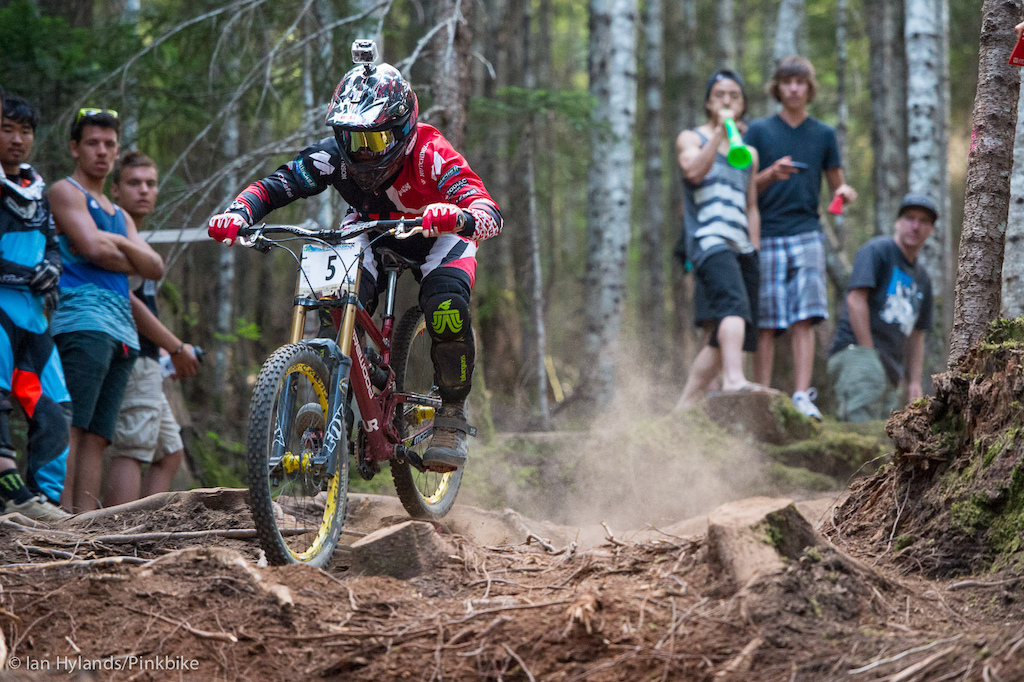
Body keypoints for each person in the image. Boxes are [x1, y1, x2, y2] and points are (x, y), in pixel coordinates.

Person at [208, 43, 502, 471]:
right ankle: (344, 393)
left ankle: (452, 412)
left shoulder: (430, 152)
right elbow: (278, 184)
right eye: (352, 138)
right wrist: (239, 213)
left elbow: (488, 210)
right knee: (328, 295)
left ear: (403, 129)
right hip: (369, 230)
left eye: (375, 139)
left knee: (446, 308)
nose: (362, 152)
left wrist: (459, 215)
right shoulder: (333, 157)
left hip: (437, 235)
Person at [48, 109, 165, 512]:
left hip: (122, 329)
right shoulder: (65, 192)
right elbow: (91, 249)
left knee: (99, 433)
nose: (102, 152)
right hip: (82, 317)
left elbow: (155, 267)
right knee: (74, 423)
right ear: (74, 148)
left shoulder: (115, 213)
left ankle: (85, 521)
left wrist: (117, 245)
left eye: (109, 144)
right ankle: (60, 518)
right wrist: (125, 251)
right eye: (93, 143)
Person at [744, 56, 858, 420]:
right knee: (766, 320)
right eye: (786, 81)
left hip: (808, 232)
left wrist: (845, 194)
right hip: (767, 233)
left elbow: (838, 185)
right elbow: (741, 185)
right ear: (777, 87)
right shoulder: (759, 131)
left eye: (800, 82)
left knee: (804, 318)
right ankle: (760, 394)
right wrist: (769, 175)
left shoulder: (823, 134)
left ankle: (800, 396)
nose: (793, 88)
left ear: (810, 88)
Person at [102, 152, 200, 507]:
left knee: (169, 450)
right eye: (133, 183)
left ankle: (145, 527)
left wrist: (161, 352)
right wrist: (173, 347)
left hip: (146, 356)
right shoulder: (115, 230)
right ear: (115, 190)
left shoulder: (133, 235)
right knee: (132, 448)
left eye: (150, 183)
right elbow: (126, 300)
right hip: (127, 354)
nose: (144, 190)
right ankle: (112, 531)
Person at [674, 71, 765, 410]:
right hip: (709, 239)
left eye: (734, 95)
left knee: (722, 336)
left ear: (742, 104)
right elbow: (693, 171)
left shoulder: (749, 154)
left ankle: (683, 406)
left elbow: (751, 205)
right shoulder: (692, 137)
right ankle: (733, 381)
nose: (727, 100)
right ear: (709, 102)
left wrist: (754, 250)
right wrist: (719, 134)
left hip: (742, 244)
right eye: (720, 94)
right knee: (732, 309)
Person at [0, 94, 72, 521]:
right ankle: (11, 495)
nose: (17, 139)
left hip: (34, 316)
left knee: (55, 404)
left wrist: (51, 267)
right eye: (7, 129)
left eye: (24, 131)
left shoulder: (37, 188)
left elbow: (52, 244)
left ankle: (43, 499)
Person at [828, 194, 935, 422]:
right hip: (856, 352)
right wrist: (868, 353)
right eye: (909, 218)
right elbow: (855, 299)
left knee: (881, 443)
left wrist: (914, 381)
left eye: (923, 221)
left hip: (891, 371)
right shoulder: (877, 250)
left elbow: (917, 334)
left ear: (931, 230)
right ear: (897, 222)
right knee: (858, 431)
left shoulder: (923, 278)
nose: (915, 226)